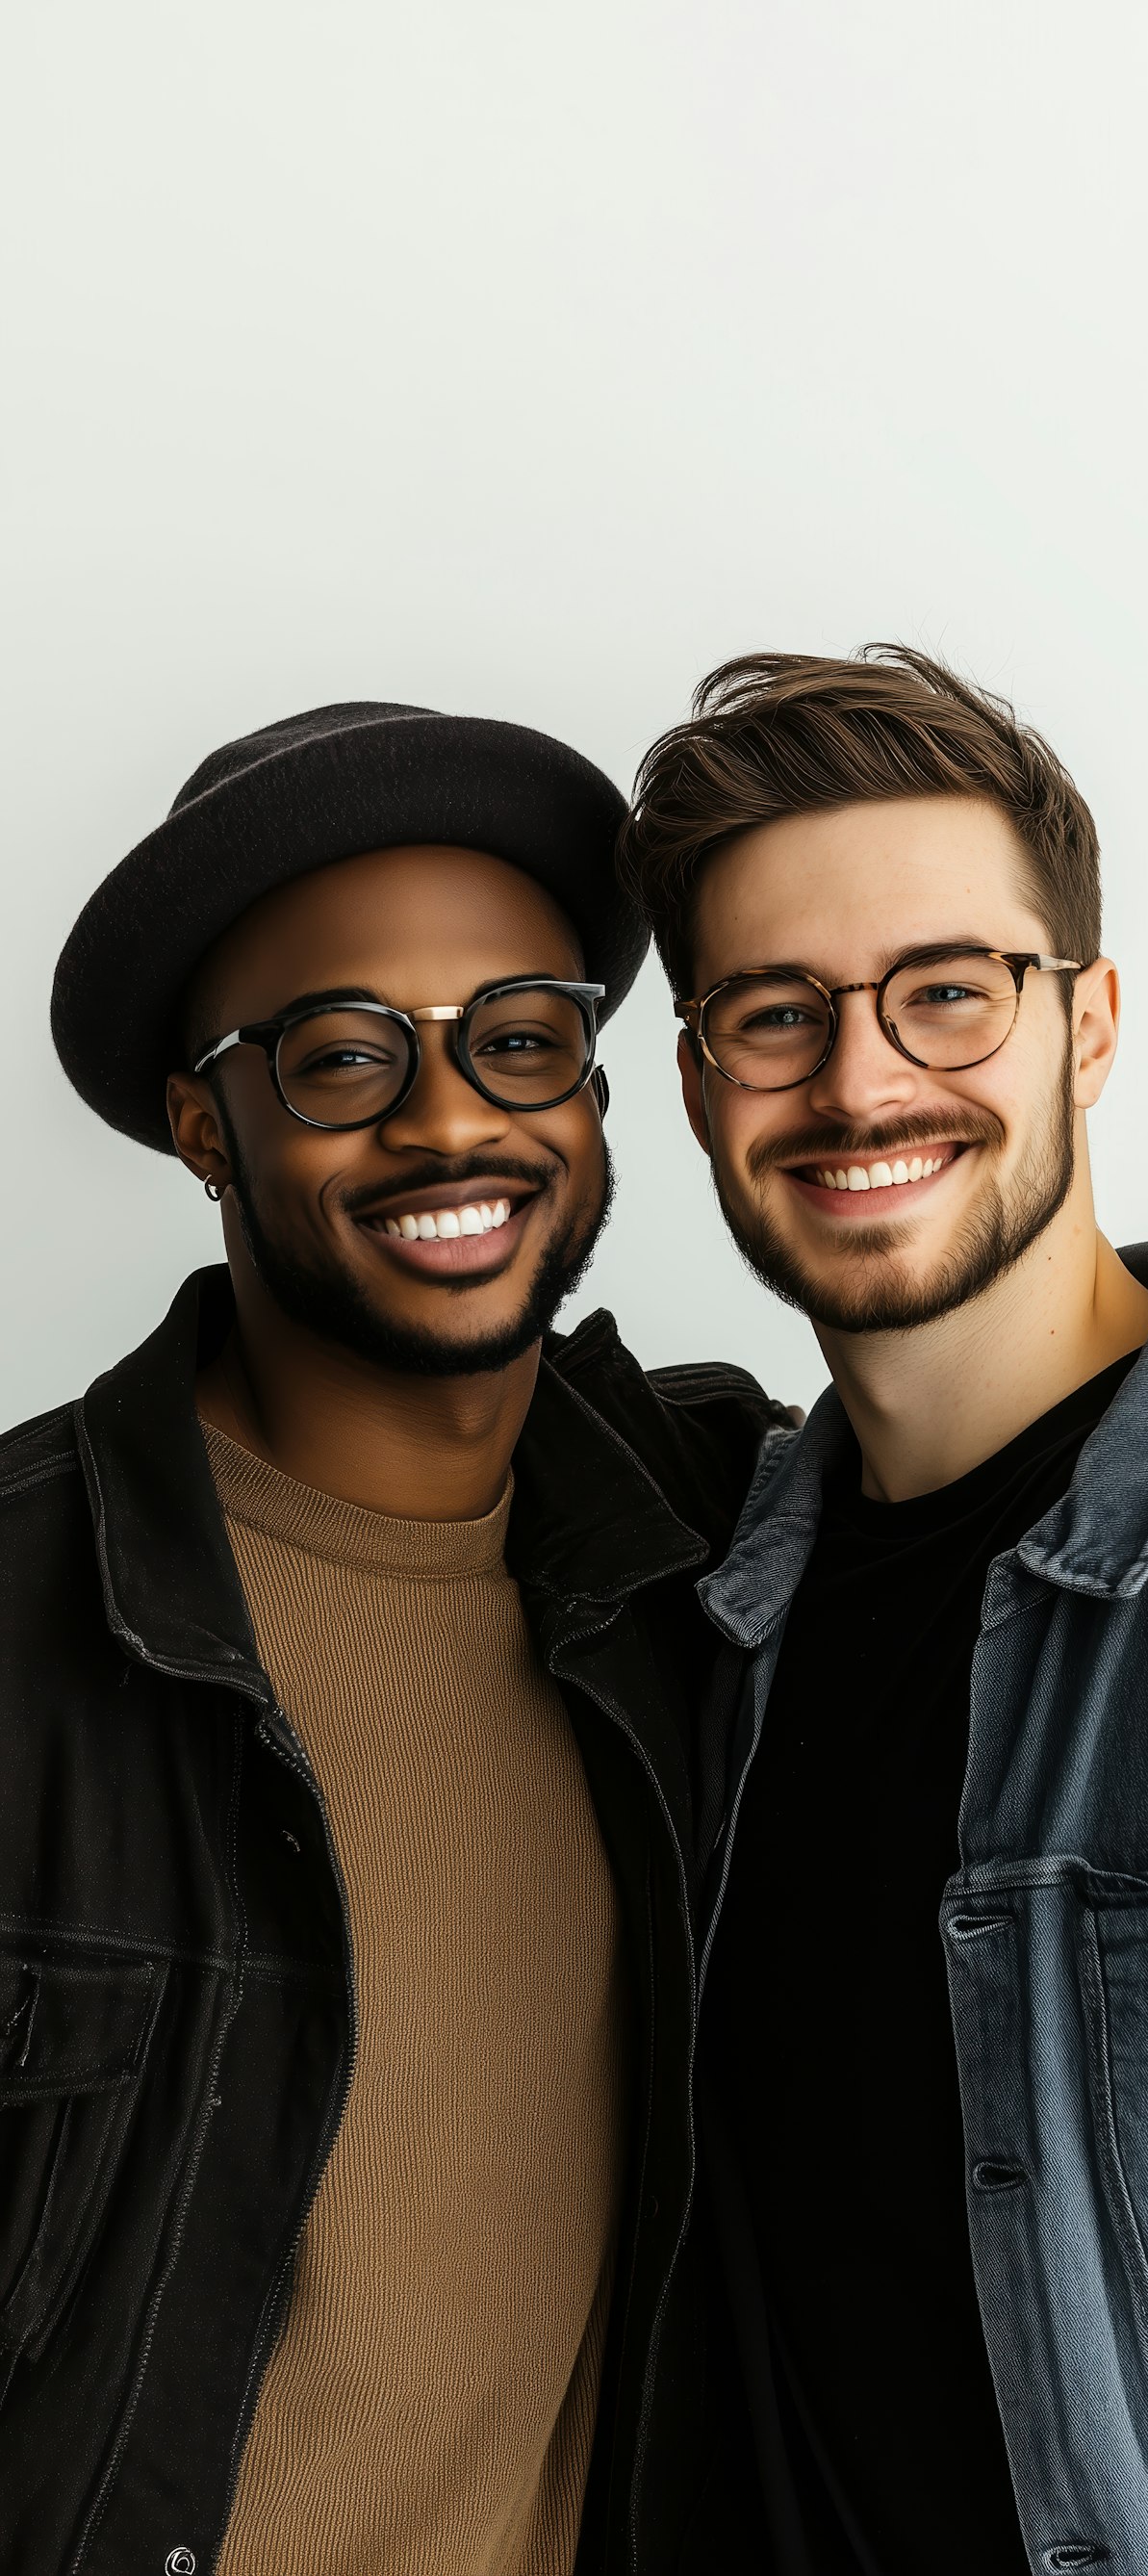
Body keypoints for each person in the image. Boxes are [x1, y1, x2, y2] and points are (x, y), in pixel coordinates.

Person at [616, 647, 1148, 2576]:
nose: (861, 1079)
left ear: (1089, 1022)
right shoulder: (704, 1616)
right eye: (774, 1014)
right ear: (693, 1083)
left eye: (948, 994)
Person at [0, 700, 782, 2576]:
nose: (453, 1119)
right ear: (205, 1122)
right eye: (345, 1056)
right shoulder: (26, 1624)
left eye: (520, 1040)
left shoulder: (716, 1558)